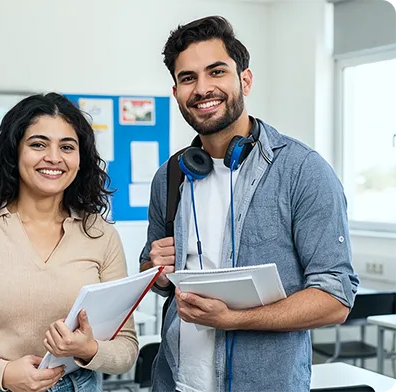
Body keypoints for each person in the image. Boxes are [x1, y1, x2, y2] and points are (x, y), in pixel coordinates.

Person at [139, 16, 359, 392]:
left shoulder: (302, 171)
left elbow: (335, 299)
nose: (203, 88)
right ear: (176, 92)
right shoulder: (171, 175)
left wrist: (233, 318)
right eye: (188, 78)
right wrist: (154, 271)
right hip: (174, 383)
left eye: (217, 71)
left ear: (245, 80)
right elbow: (154, 271)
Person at [0, 92, 138, 392]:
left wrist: (90, 349)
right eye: (38, 144)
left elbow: (127, 349)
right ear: (14, 152)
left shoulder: (100, 234)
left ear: (80, 160)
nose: (54, 157)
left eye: (67, 147)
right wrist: (2, 373)